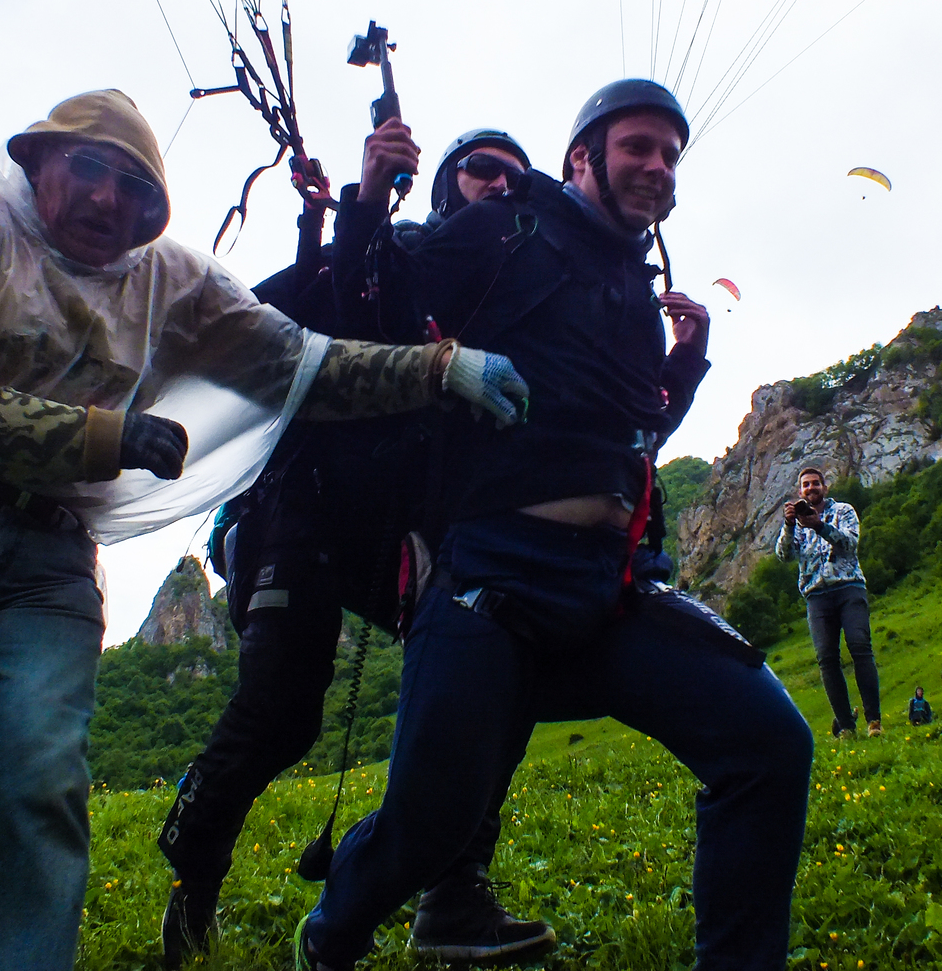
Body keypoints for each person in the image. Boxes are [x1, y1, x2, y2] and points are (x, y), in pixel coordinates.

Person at [0, 90, 530, 971]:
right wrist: (103, 435)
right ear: (36, 163)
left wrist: (443, 368)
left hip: (47, 555)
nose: (107, 199)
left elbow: (297, 360)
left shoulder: (171, 279)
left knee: (38, 791)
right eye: (87, 169)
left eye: (135, 187)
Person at [293, 79, 813, 971]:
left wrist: (683, 370)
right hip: (495, 573)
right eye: (637, 148)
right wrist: (369, 196)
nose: (658, 167)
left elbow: (635, 432)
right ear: (582, 158)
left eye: (670, 155)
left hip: (612, 586)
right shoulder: (506, 225)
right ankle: (334, 930)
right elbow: (368, 306)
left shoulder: (633, 290)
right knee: (430, 820)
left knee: (769, 744)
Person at [156, 125, 557, 967]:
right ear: (446, 187)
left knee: (486, 667)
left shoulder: (520, 304)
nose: (503, 185)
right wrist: (359, 204)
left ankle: (454, 887)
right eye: (484, 170)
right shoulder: (383, 258)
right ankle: (195, 879)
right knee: (282, 710)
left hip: (398, 529)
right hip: (297, 507)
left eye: (520, 178)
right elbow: (293, 324)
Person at [778, 467, 881, 738]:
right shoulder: (796, 522)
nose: (810, 489)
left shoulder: (844, 511)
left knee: (860, 647)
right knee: (827, 659)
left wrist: (820, 526)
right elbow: (783, 556)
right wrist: (790, 526)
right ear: (800, 492)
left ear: (825, 487)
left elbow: (850, 543)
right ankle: (846, 726)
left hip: (849, 587)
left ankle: (874, 721)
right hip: (816, 595)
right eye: (805, 485)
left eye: (815, 484)